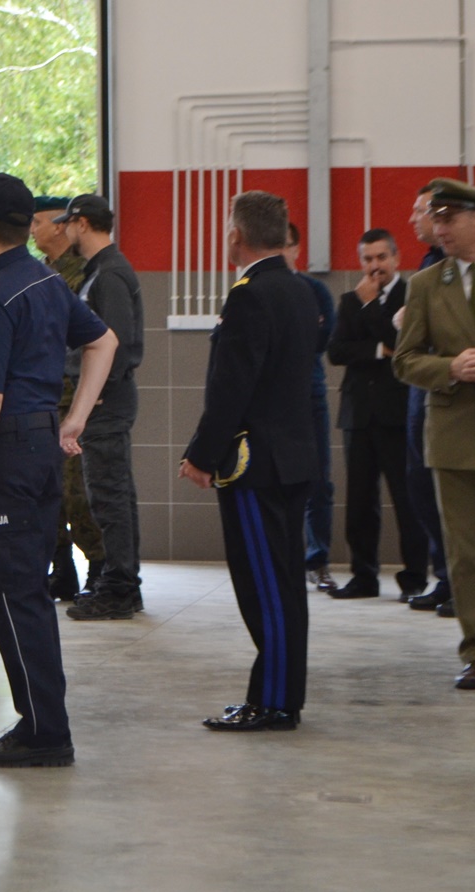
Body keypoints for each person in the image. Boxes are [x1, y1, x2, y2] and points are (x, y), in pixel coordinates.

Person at [0, 173, 117, 767]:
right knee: (27, 592)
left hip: (6, 453)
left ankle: (44, 730)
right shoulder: (46, 280)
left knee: (12, 594)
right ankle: (41, 720)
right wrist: (73, 420)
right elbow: (104, 342)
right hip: (39, 444)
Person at [179, 190, 318, 731]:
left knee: (266, 589)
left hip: (257, 466)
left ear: (236, 236)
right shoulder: (301, 290)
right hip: (294, 458)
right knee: (284, 586)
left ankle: (275, 702)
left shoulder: (250, 295)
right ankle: (277, 694)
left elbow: (231, 390)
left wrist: (201, 456)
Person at [392, 178, 475, 689]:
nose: (438, 229)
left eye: (448, 219)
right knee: (466, 552)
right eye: (434, 219)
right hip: (454, 433)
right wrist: (451, 368)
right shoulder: (424, 285)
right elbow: (405, 361)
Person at [323, 228, 427, 601]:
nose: (375, 266)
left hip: (396, 413)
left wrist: (371, 313)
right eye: (368, 259)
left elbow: (403, 344)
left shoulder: (411, 296)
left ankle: (414, 579)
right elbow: (336, 351)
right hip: (358, 413)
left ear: (396, 258)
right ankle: (363, 576)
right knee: (359, 501)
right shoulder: (349, 299)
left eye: (382, 257)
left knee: (407, 499)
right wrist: (377, 349)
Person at [55, 194, 146, 620]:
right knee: (113, 495)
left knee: (109, 497)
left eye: (67, 223)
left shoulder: (109, 274)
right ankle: (123, 583)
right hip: (102, 399)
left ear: (82, 223)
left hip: (106, 401)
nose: (63, 231)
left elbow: (116, 344)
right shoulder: (100, 271)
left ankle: (120, 588)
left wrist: (95, 395)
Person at [31, 193, 105, 601]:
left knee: (79, 494)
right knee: (50, 494)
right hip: (43, 398)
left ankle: (100, 566)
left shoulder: (83, 274)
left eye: (38, 222)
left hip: (75, 399)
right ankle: (61, 569)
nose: (31, 230)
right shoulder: (40, 273)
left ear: (61, 226)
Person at [400, 185, 454, 613]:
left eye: (420, 211)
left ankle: (464, 584)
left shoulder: (455, 267)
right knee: (420, 485)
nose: (414, 219)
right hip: (421, 386)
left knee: (456, 494)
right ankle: (445, 577)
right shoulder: (426, 264)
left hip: (449, 388)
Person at [283, 224, 338, 592]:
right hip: (275, 401)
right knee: (279, 482)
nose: (282, 253)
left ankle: (317, 560)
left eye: (287, 246)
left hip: (310, 395)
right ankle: (284, 560)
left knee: (318, 482)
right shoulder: (258, 289)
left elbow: (322, 341)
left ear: (297, 249)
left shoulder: (315, 290)